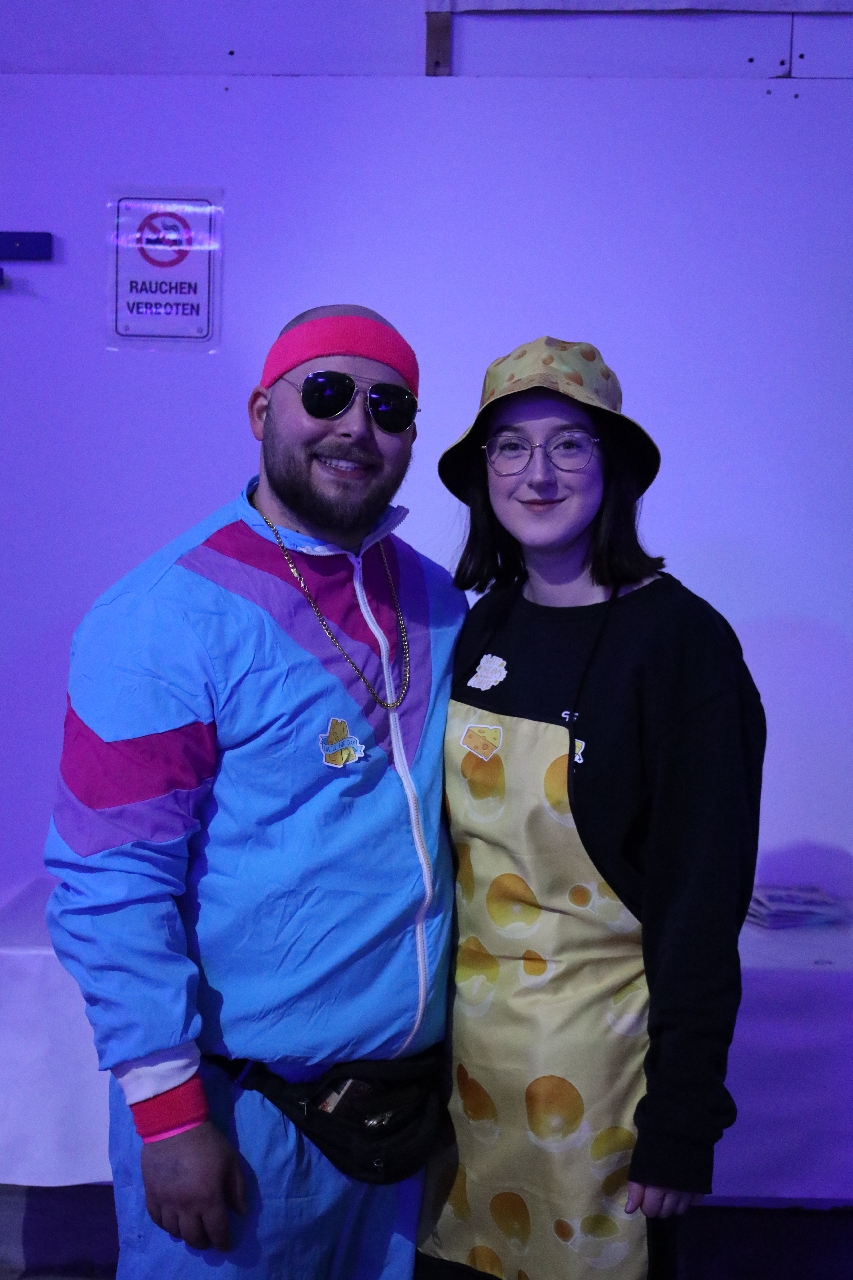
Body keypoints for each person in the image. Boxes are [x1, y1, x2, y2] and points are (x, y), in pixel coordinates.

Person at [45, 304, 467, 1280]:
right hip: (241, 1119)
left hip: (401, 1123)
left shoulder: (437, 602)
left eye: (388, 406)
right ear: (261, 409)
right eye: (326, 392)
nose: (355, 425)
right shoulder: (164, 614)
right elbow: (110, 882)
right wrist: (167, 1117)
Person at [417, 337, 766, 1279]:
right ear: (482, 473)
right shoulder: (482, 621)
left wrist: (682, 1118)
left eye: (568, 444)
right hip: (469, 1071)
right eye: (510, 447)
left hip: (605, 1080)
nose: (537, 474)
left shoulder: (682, 645)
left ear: (613, 469)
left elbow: (701, 901)